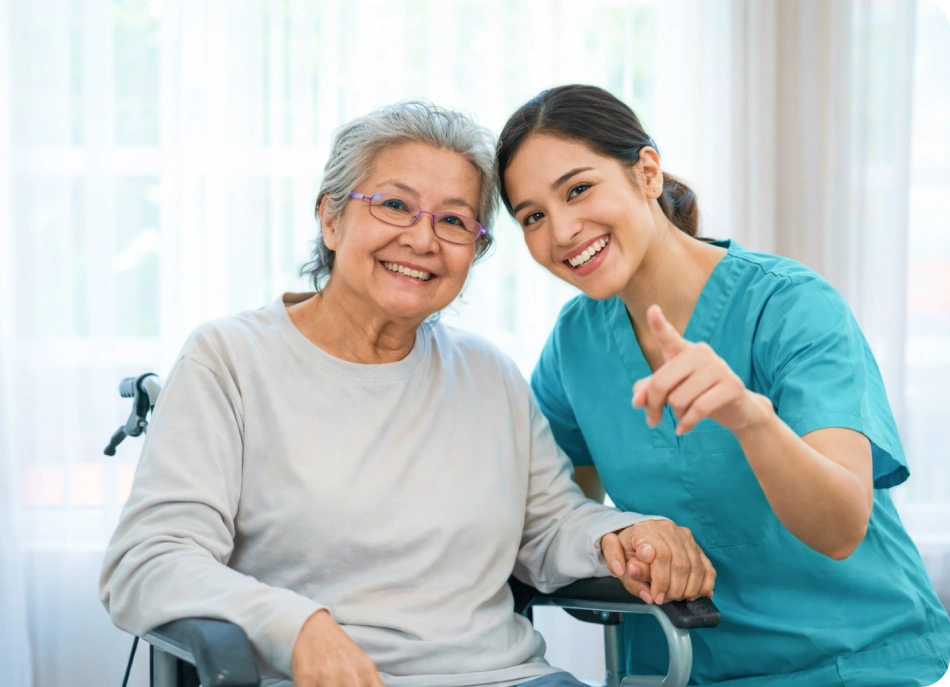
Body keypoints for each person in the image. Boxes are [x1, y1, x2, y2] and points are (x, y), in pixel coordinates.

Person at [99, 101, 715, 687]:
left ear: (474, 252)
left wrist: (624, 535)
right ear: (332, 218)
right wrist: (296, 626)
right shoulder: (228, 359)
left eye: (453, 220)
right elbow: (148, 560)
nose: (422, 240)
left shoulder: (488, 373)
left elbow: (548, 526)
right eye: (395, 205)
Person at [496, 84, 950, 686]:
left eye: (578, 189)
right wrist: (620, 536)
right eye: (533, 217)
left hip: (853, 661)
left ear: (647, 173)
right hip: (678, 670)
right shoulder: (575, 344)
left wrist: (748, 415)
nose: (562, 231)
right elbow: (551, 519)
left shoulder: (790, 308)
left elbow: (841, 528)